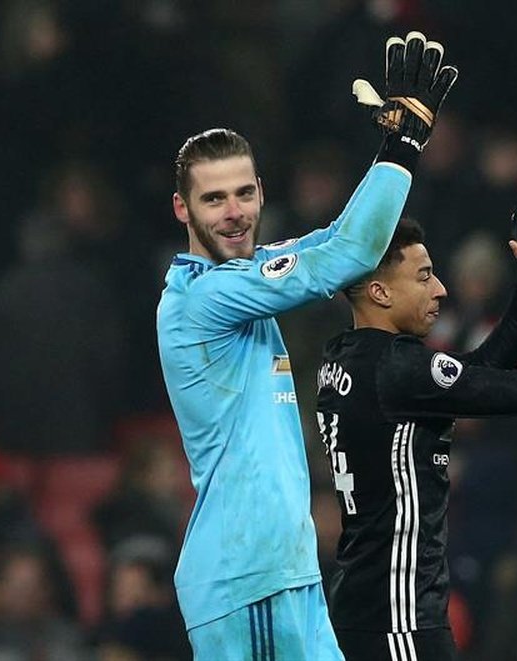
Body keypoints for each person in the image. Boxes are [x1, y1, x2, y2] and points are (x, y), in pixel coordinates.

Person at [156, 31, 457, 660]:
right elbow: (344, 257)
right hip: (247, 575)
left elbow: (343, 242)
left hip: (278, 571)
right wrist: (403, 146)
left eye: (243, 193)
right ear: (182, 210)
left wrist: (387, 147)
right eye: (213, 199)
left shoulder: (244, 276)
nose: (233, 211)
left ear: (262, 192)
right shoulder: (202, 300)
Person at [315, 187, 517, 660]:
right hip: (400, 619)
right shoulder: (396, 370)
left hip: (365, 606)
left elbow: (476, 376)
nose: (441, 290)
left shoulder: (344, 357)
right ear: (379, 290)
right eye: (425, 276)